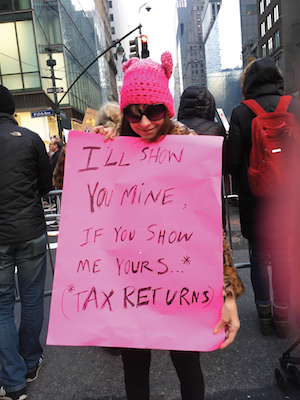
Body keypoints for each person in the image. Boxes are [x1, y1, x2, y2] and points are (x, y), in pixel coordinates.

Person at [94, 52, 244, 400]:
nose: (144, 121)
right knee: (134, 370)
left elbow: (210, 229)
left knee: (188, 365)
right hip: (128, 280)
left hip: (180, 279)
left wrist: (226, 295)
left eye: (154, 111)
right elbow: (64, 183)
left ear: (168, 109)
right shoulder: (111, 145)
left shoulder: (188, 148)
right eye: (134, 112)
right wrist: (89, 148)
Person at [224, 57, 300, 338]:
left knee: (258, 256)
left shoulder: (242, 112)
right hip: (289, 198)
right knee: (283, 256)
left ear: (247, 84)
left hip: (255, 197)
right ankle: (283, 317)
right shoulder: (293, 105)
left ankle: (264, 316)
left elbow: (231, 161)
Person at [0, 85, 52, 400]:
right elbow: (46, 186)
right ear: (12, 110)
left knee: (2, 306)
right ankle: (31, 363)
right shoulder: (31, 139)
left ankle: (13, 381)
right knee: (33, 299)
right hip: (31, 231)